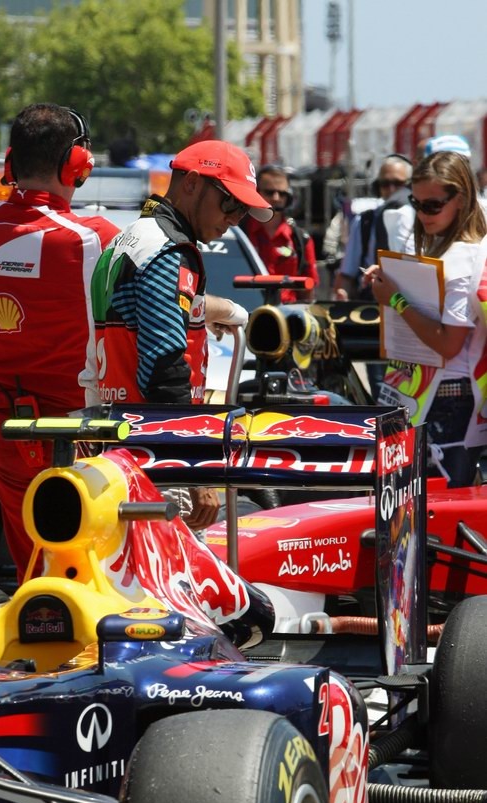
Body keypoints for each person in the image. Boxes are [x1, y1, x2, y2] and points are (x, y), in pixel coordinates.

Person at [0, 102, 120, 582]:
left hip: (6, 430)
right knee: (93, 575)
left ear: (11, 162)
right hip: (81, 434)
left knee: (35, 573)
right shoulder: (94, 238)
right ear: (76, 166)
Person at [82, 139, 273, 529]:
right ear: (191, 183)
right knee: (171, 585)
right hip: (155, 458)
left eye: (243, 210)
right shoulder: (169, 252)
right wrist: (196, 472)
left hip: (114, 442)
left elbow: (142, 319)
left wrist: (212, 312)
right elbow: (165, 369)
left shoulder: (130, 238)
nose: (235, 218)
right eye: (230, 203)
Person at [368, 150, 487, 488]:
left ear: (461, 199)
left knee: (431, 513)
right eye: (416, 203)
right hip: (431, 393)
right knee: (420, 515)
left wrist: (394, 297)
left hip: (450, 398)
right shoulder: (447, 249)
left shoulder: (462, 258)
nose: (422, 214)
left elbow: (448, 344)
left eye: (432, 205)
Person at [333, 154, 413, 299]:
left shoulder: (421, 218)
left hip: (408, 300)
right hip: (371, 304)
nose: (391, 189)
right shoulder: (365, 221)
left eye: (398, 183)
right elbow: (347, 274)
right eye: (385, 184)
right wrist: (342, 295)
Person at [242, 163, 318, 303]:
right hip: (243, 312)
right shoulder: (239, 232)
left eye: (282, 193)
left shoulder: (301, 239)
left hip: (286, 316)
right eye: (269, 192)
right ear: (256, 192)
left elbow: (308, 291)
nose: (276, 198)